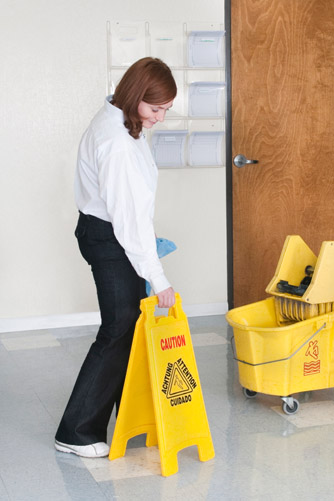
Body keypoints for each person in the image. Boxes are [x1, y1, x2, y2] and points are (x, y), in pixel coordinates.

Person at [54, 57, 178, 458]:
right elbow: (128, 221)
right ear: (134, 95)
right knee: (118, 326)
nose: (160, 117)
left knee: (126, 324)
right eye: (155, 108)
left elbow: (133, 212)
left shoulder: (123, 119)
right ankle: (75, 431)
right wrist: (159, 279)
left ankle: (125, 415)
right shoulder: (117, 143)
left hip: (108, 231)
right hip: (109, 237)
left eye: (165, 110)